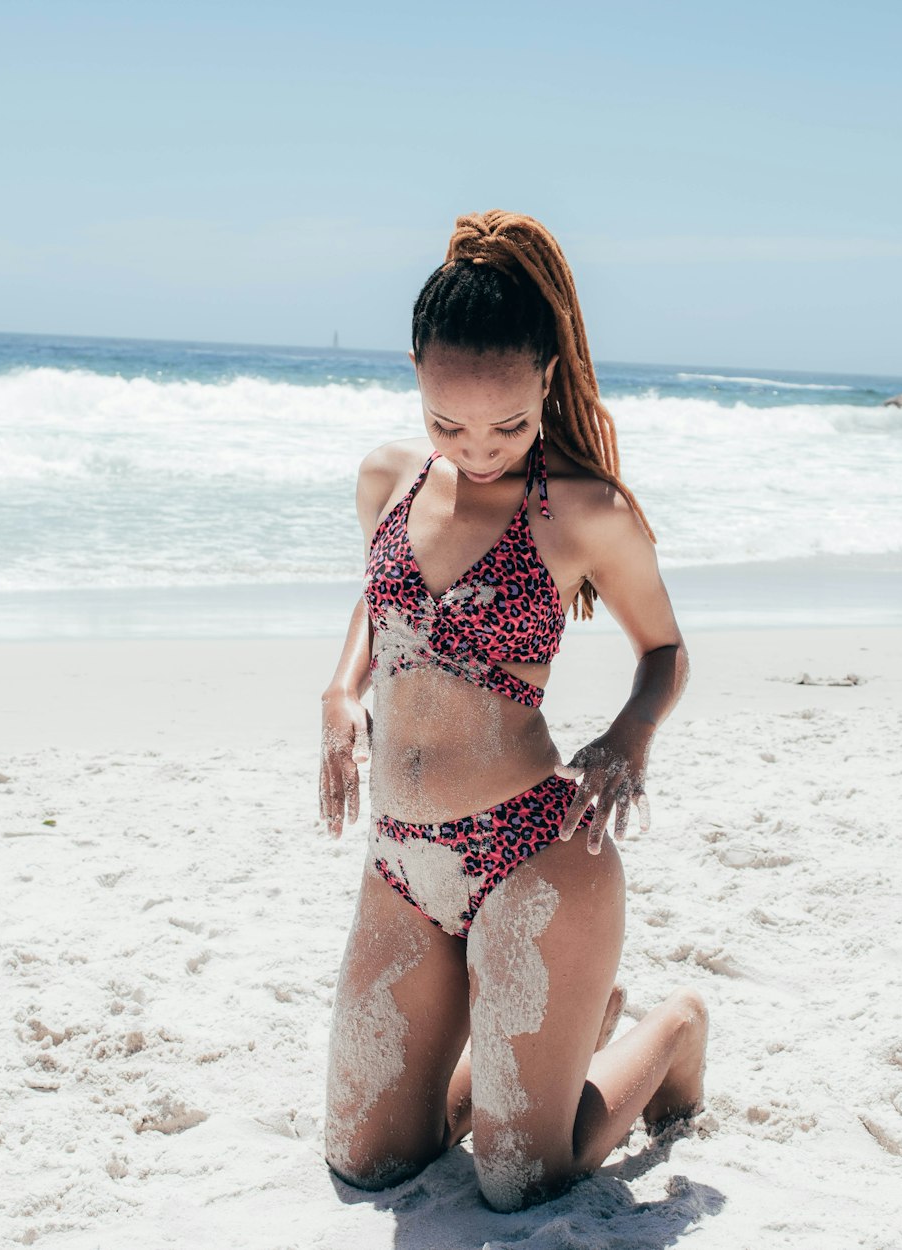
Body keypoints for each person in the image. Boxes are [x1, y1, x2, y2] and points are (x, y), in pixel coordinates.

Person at [319, 210, 707, 1213]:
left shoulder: (582, 512)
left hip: (534, 856)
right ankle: (532, 1050)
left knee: (518, 1178)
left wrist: (629, 735)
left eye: (507, 424)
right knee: (367, 1159)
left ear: (544, 377)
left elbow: (663, 650)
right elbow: (381, 596)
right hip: (401, 858)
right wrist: (337, 689)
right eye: (448, 424)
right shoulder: (386, 481)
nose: (478, 448)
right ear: (416, 373)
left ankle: (665, 1030)